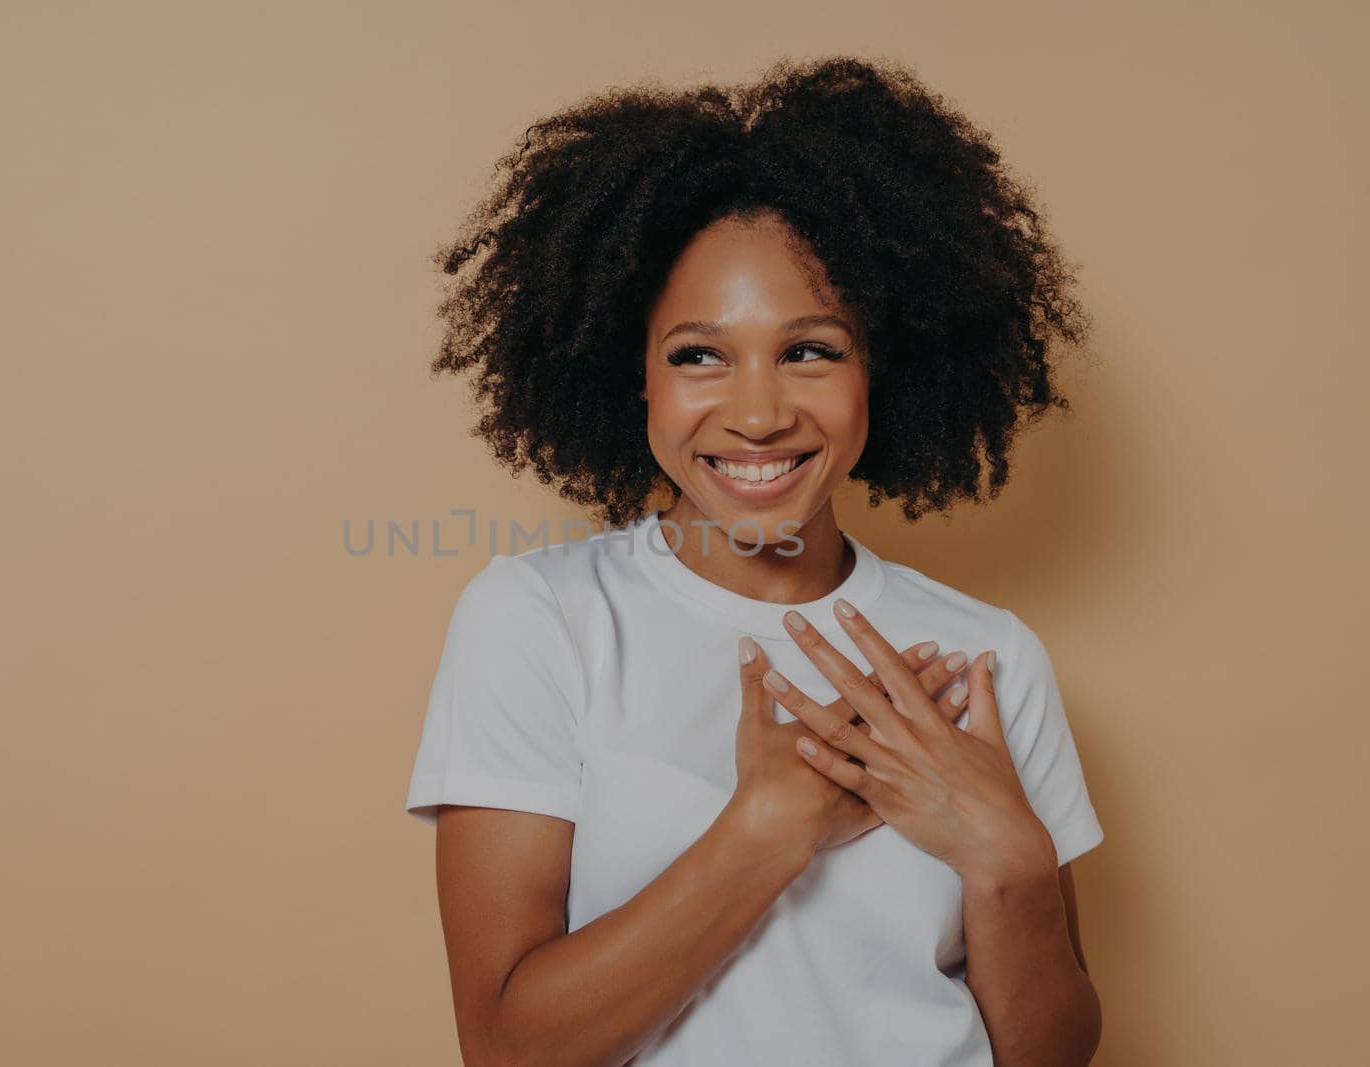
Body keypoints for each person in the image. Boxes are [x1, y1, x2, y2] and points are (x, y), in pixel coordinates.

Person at [404, 55, 1104, 1067]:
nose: (759, 412)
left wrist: (1010, 861)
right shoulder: (540, 618)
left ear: (881, 370)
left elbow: (1053, 1050)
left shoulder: (983, 653)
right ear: (629, 374)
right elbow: (510, 1048)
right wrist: (768, 825)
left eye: (811, 349)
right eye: (698, 354)